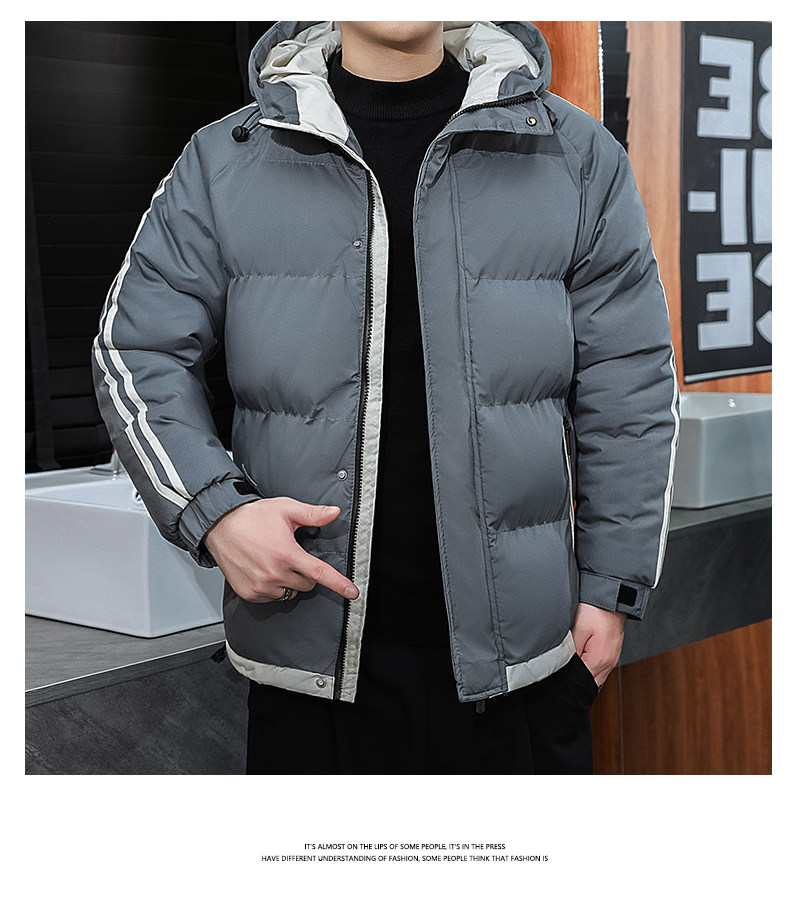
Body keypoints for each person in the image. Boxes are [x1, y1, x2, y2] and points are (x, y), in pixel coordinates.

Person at [92, 20, 680, 775]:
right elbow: (134, 350)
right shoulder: (226, 159)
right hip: (308, 666)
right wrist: (214, 511)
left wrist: (611, 587)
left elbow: (629, 382)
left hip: (526, 669)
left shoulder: (574, 154)